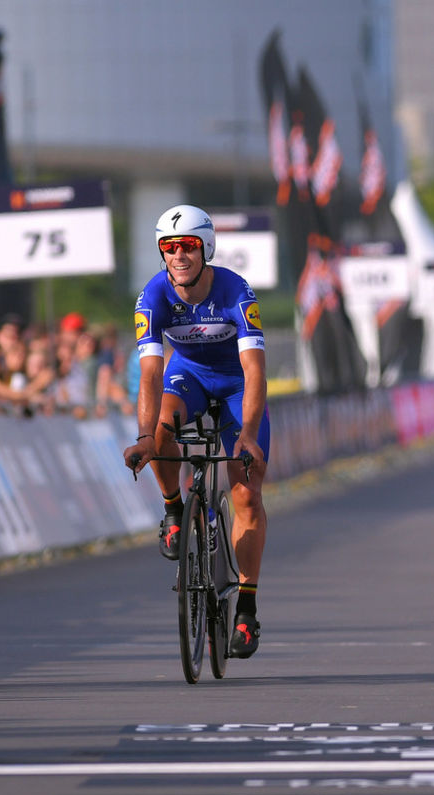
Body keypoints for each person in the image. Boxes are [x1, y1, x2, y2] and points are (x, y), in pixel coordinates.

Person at [122, 204, 271, 658]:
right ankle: (172, 508)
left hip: (236, 385)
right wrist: (147, 435)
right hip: (186, 377)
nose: (178, 255)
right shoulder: (152, 297)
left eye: (187, 245)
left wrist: (246, 431)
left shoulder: (235, 291)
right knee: (160, 434)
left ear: (205, 247)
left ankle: (246, 606)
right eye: (169, 247)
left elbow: (255, 370)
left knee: (246, 493)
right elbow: (149, 375)